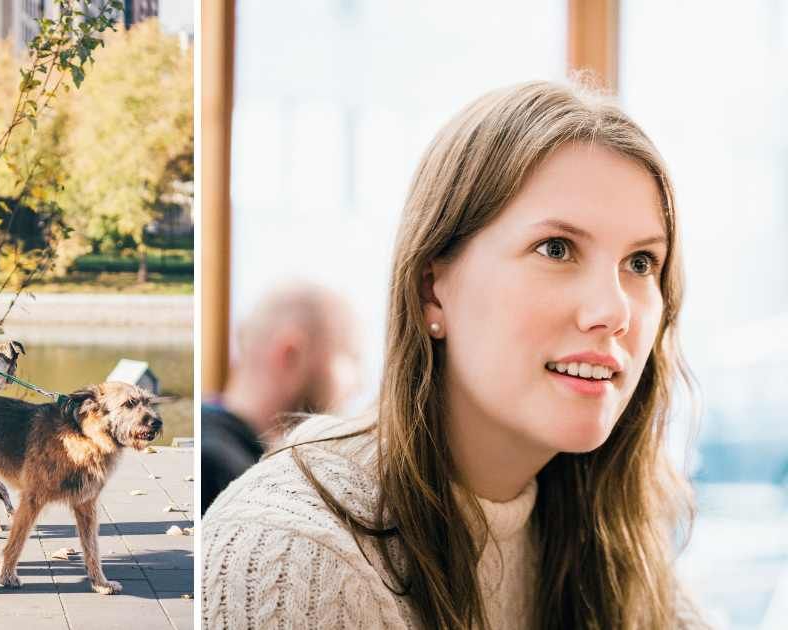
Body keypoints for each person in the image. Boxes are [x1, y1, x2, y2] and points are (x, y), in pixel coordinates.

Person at [201, 81, 713, 629]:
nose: (614, 310)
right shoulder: (295, 555)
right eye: (556, 249)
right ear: (432, 290)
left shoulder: (616, 541)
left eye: (640, 263)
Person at [202, 283, 359, 514]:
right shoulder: (226, 475)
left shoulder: (222, 445)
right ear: (291, 354)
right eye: (352, 357)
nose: (359, 383)